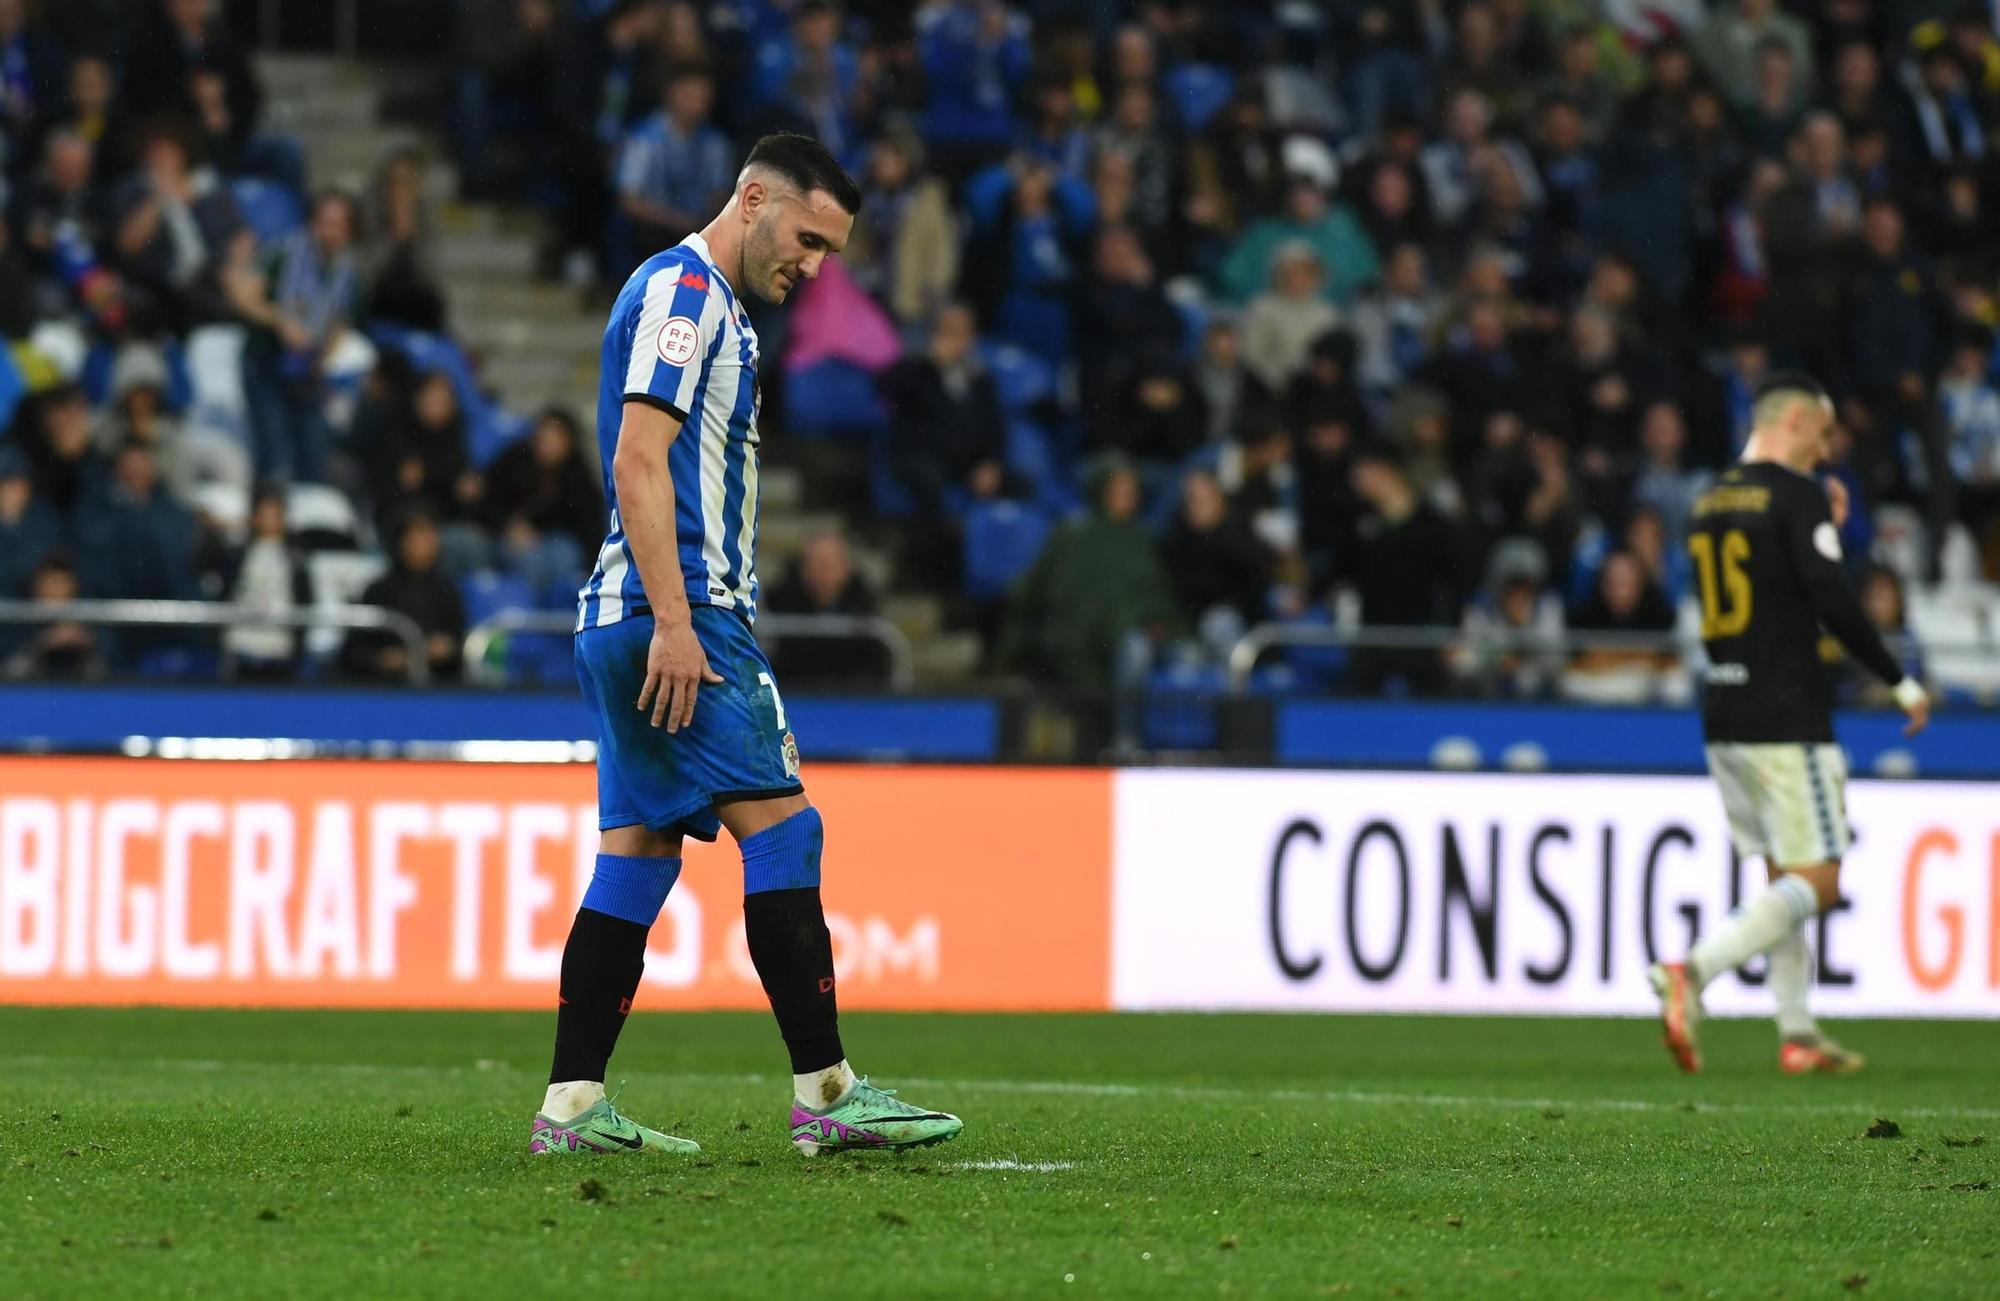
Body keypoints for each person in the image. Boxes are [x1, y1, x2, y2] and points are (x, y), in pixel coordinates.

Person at [551, 132, 960, 1159]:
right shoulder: (684, 298)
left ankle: (569, 1105)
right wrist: (682, 622)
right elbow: (638, 460)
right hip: (674, 614)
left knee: (637, 854)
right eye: (807, 237)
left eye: (829, 252)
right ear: (751, 197)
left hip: (624, 615)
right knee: (785, 831)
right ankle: (826, 1089)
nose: (813, 266)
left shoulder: (709, 304)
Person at [1649, 373, 1930, 1078]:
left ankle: (1797, 1031)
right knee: (1820, 878)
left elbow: (1771, 580)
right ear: (1799, 420)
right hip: (1786, 712)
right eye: (1825, 434)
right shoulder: (1795, 493)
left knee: (1782, 873)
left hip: (1723, 712)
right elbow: (1829, 596)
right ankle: (1695, 969)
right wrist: (1898, 679)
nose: (1829, 449)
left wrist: (1818, 521)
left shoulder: (1710, 496)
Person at [339, 510, 465, 682]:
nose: (427, 544)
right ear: (401, 543)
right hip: (386, 687)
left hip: (439, 687)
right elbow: (355, 651)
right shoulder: (379, 590)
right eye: (418, 538)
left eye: (431, 537)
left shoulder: (447, 590)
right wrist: (383, 660)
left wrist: (446, 649)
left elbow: (457, 643)